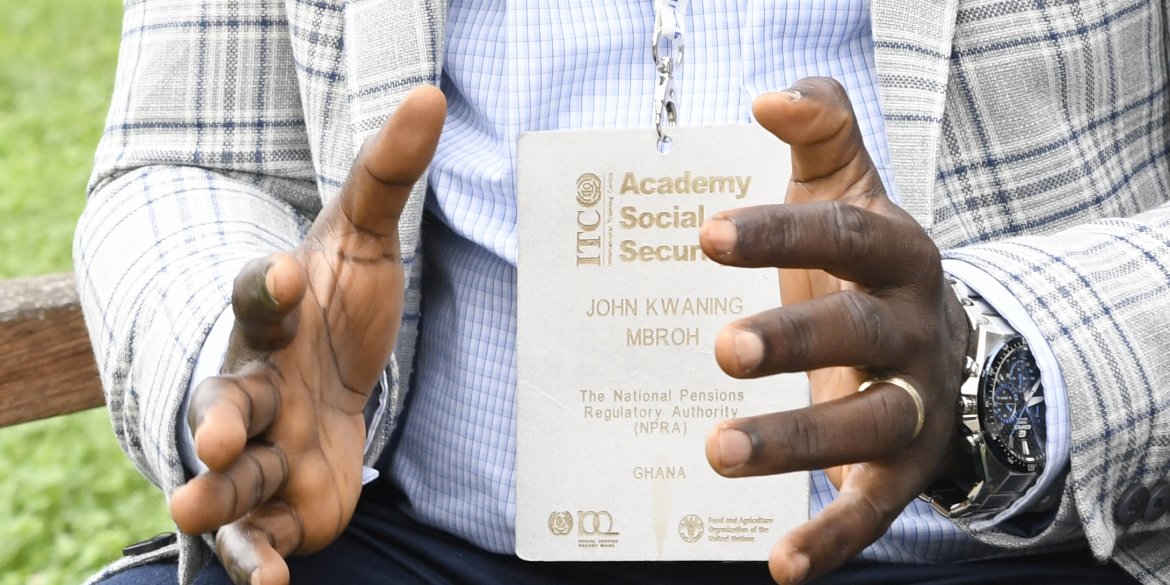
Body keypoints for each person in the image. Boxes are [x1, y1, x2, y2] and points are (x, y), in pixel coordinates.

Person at [75, 1, 1169, 584]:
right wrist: (239, 348)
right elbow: (183, 160)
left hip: (1008, 551)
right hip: (421, 543)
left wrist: (998, 372)